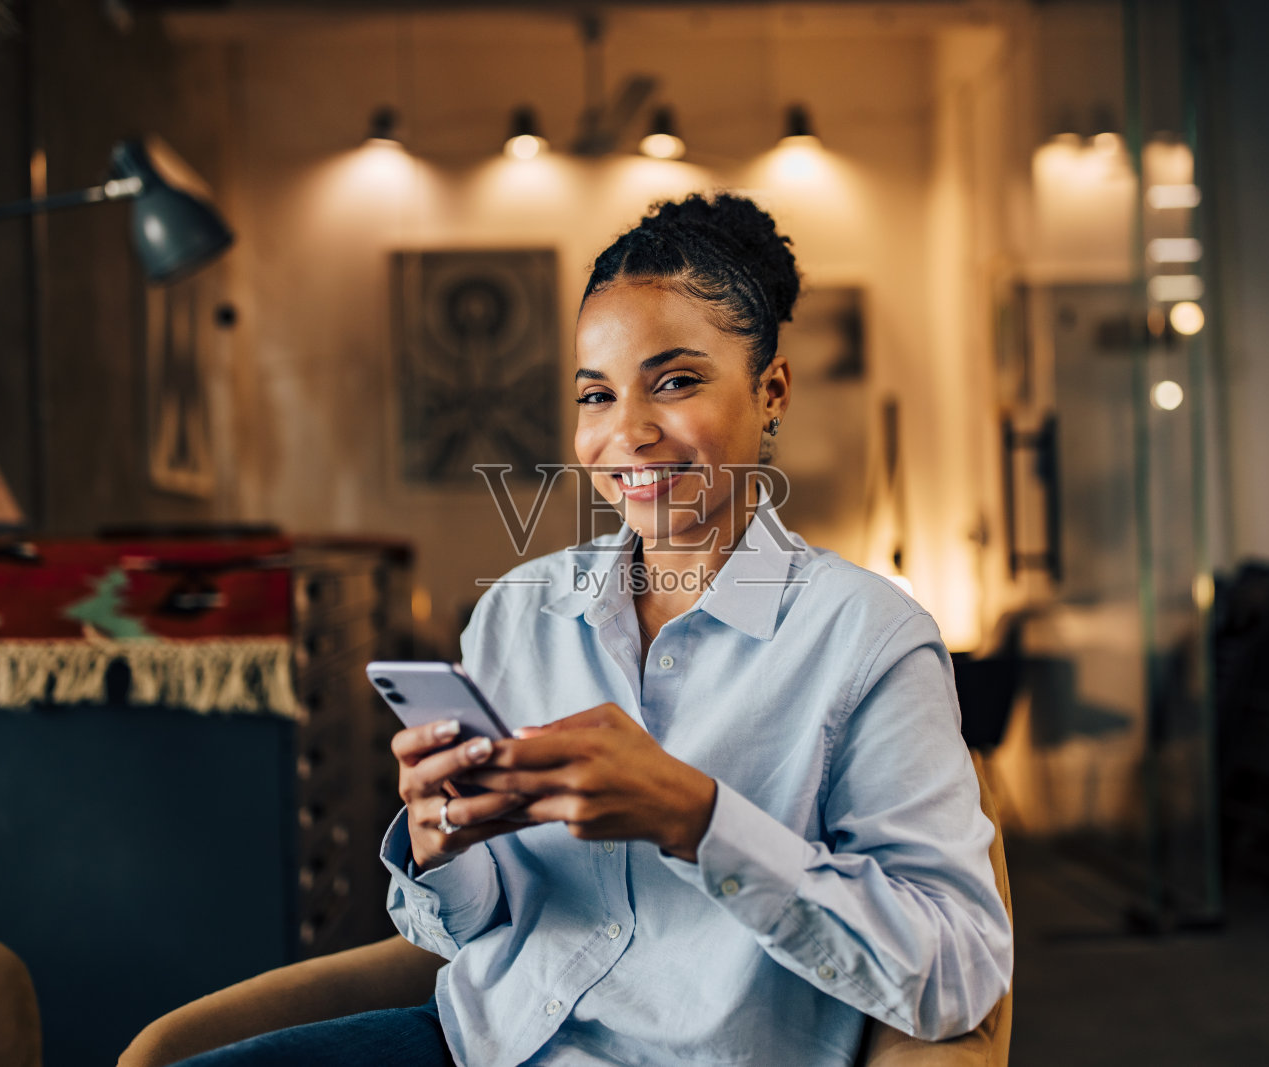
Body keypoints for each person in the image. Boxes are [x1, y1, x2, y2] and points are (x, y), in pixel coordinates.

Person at [171, 192, 1011, 1066]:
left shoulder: (868, 636)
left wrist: (697, 819)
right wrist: (440, 842)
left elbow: (958, 973)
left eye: (675, 382)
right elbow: (470, 927)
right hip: (483, 1042)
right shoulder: (519, 611)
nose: (628, 433)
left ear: (772, 392)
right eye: (597, 395)